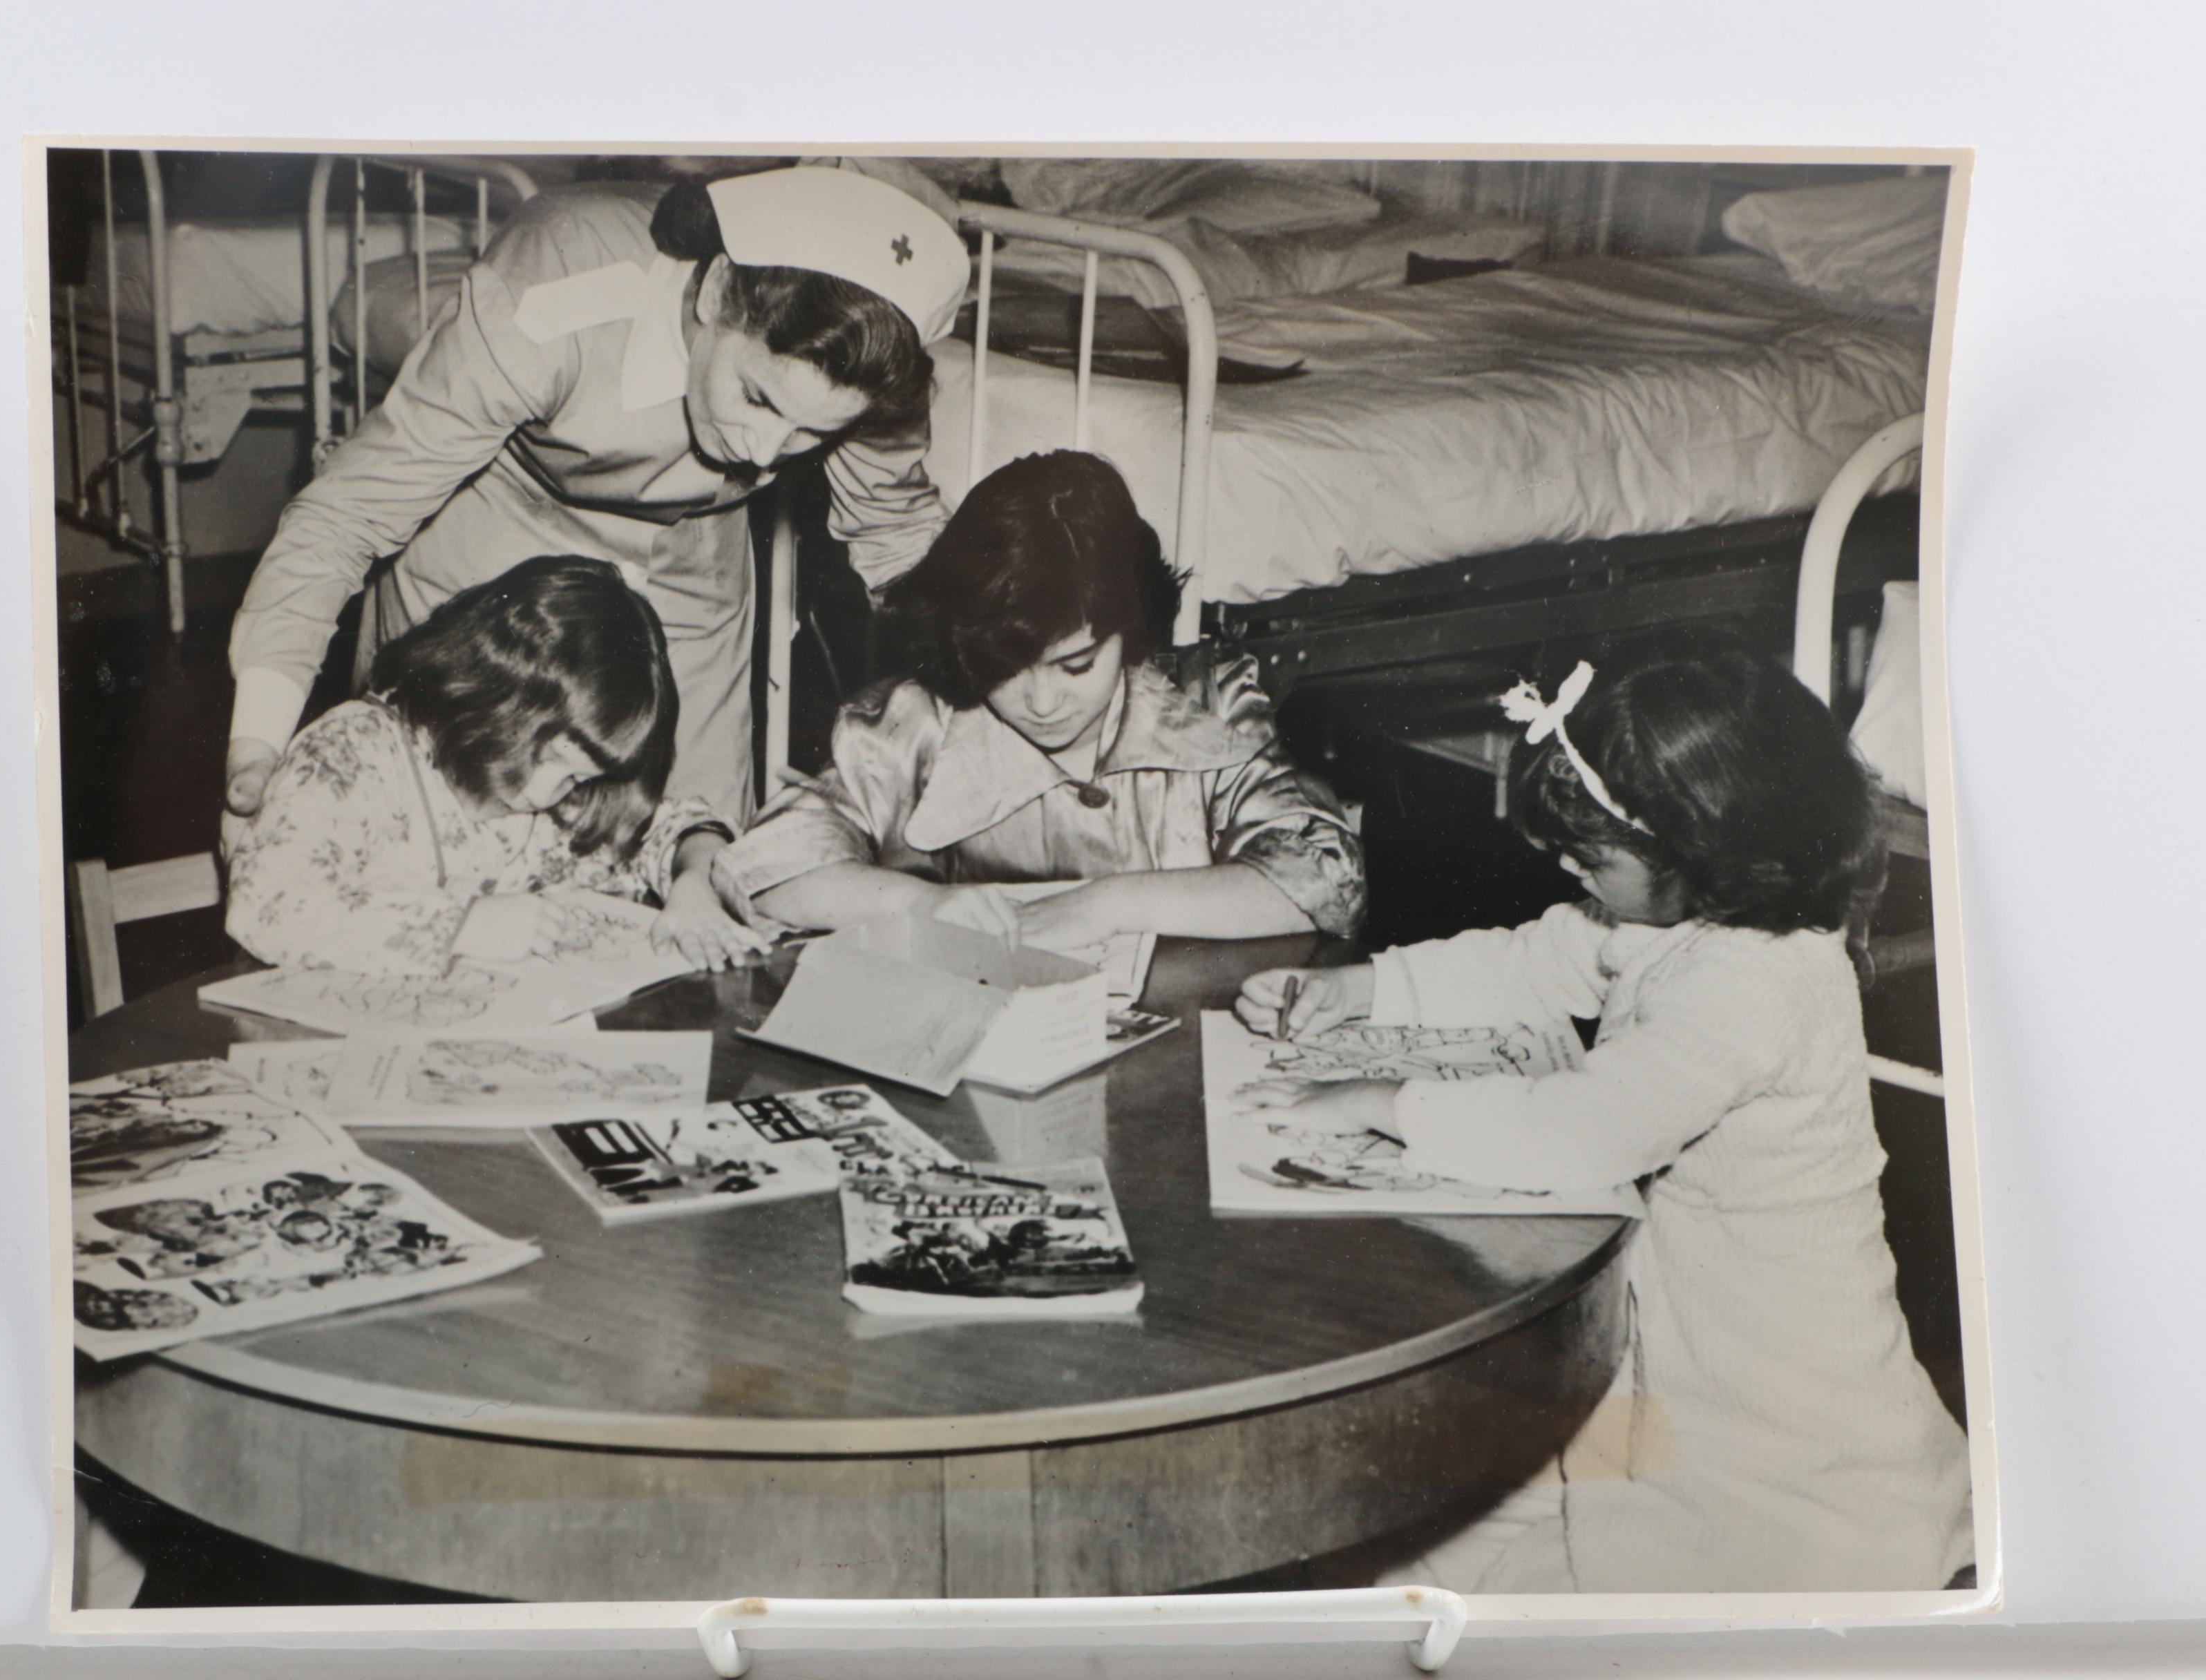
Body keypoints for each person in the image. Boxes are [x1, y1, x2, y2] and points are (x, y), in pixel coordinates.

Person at [1233, 640, 1972, 1592]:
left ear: (1698, 847)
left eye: (1590, 857)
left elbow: (1580, 1131)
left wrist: (1384, 1100)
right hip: (1678, 1341)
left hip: (1777, 1408)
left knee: (1622, 1563)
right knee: (1446, 1544)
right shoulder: (1686, 915)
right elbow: (1542, 958)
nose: (1567, 870)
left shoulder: (1759, 981)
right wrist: (1369, 987)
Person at [222, 163, 971, 829]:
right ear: (716, 291)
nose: (766, 454)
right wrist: (258, 743)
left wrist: (982, 685)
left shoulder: (868, 376)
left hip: (690, 547)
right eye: (757, 398)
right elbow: (347, 515)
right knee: (451, 827)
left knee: (692, 839)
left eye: (813, 434)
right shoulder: (555, 290)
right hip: (499, 517)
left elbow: (899, 538)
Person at [717, 451, 1364, 946]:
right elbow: (767, 866)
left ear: (1132, 633)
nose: (1044, 702)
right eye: (1005, 668)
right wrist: (922, 905)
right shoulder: (909, 723)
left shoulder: (1208, 703)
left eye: (1077, 665)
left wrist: (1106, 906)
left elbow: (1326, 878)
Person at [225, 555, 764, 976]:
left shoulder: (558, 798)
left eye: (578, 777)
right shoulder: (352, 753)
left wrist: (694, 879)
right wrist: (462, 926)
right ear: (493, 692)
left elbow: (672, 825)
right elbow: (265, 909)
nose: (546, 794)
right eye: (546, 757)